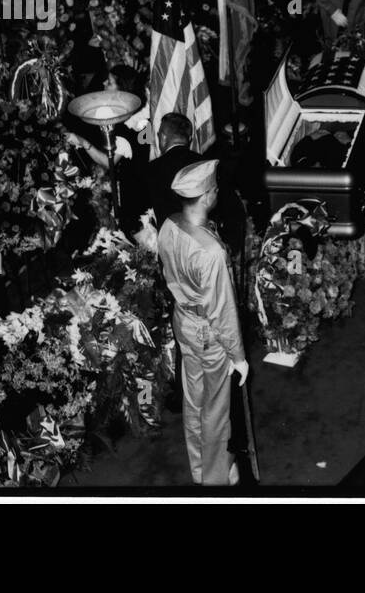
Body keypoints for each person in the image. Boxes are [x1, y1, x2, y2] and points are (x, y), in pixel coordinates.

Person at [156, 159, 249, 486]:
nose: (218, 192)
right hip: (210, 332)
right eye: (215, 189)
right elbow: (222, 311)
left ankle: (199, 468)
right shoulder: (210, 251)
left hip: (184, 322)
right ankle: (215, 479)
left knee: (193, 401)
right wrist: (238, 356)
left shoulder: (168, 224)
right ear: (208, 195)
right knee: (216, 411)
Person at [65, 64, 150, 234]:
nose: (104, 83)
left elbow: (107, 161)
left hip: (137, 193)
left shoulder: (128, 128)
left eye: (110, 82)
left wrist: (82, 142)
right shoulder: (140, 113)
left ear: (121, 90)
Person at [147, 112, 201, 226]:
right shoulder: (206, 163)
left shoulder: (151, 169)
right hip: (205, 240)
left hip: (167, 240)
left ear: (162, 137)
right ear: (190, 138)